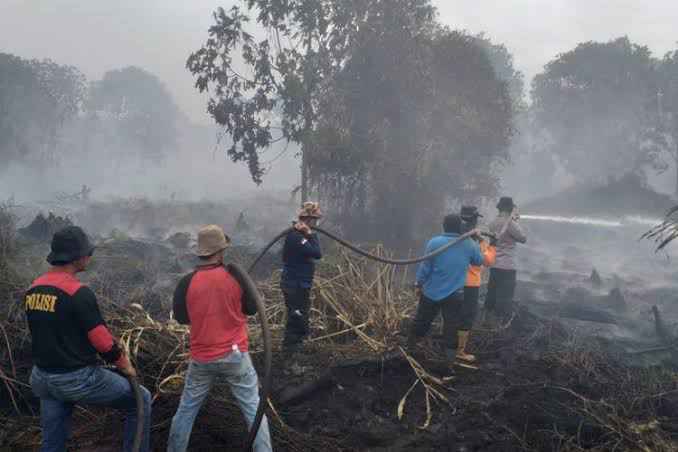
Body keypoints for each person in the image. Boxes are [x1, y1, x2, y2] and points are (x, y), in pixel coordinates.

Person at [26, 226, 151, 452]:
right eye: (87, 252)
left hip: (43, 378)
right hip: (75, 379)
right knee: (140, 398)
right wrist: (125, 365)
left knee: (52, 441)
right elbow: (103, 343)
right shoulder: (78, 292)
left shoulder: (34, 288)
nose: (89, 256)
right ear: (76, 257)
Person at [169, 225, 272, 452]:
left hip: (202, 358)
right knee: (254, 410)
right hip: (236, 356)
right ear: (221, 251)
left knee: (186, 410)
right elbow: (252, 309)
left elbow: (181, 318)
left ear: (201, 251)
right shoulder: (235, 277)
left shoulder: (186, 283)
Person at [409, 214, 484, 362]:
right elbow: (479, 260)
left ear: (444, 226)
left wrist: (418, 284)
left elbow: (426, 266)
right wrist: (478, 240)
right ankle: (448, 362)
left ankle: (409, 350)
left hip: (430, 292)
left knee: (421, 321)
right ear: (460, 227)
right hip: (454, 295)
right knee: (452, 327)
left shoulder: (434, 242)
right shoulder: (468, 244)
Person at [280, 202, 323, 353]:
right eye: (314, 221)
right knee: (296, 316)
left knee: (301, 315)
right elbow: (317, 253)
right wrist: (311, 234)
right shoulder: (296, 237)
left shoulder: (301, 236)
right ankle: (290, 350)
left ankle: (297, 346)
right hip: (294, 284)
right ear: (308, 220)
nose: (316, 224)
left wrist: (309, 234)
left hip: (301, 284)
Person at [459, 206, 497, 362]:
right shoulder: (475, 240)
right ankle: (459, 351)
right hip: (470, 284)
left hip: (452, 282)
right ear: (474, 219)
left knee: (451, 314)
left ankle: (448, 345)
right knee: (466, 316)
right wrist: (492, 244)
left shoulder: (453, 235)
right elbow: (487, 261)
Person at [485, 197, 527, 323]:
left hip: (495, 264)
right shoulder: (511, 224)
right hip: (507, 266)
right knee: (505, 296)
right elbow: (523, 238)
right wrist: (515, 221)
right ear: (511, 208)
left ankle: (487, 319)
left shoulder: (493, 222)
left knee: (492, 293)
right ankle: (499, 323)